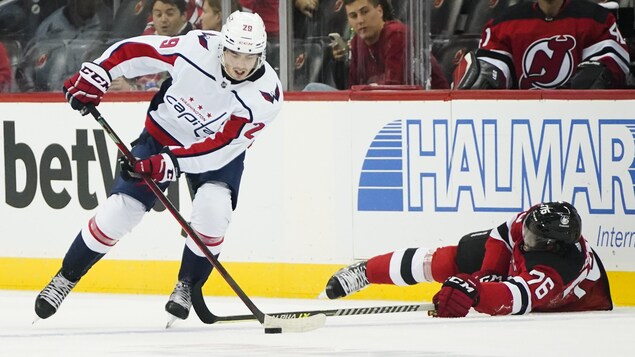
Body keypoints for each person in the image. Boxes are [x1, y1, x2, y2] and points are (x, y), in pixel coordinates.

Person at [34, 11, 282, 327]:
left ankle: (186, 286)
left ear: (261, 53)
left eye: (249, 56)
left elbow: (220, 148)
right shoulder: (198, 47)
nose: (240, 63)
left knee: (214, 208)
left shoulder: (266, 97)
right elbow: (139, 51)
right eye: (234, 52)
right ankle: (65, 278)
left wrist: (171, 163)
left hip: (217, 155)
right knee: (120, 210)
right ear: (223, 47)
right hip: (163, 134)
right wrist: (101, 71)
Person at [323, 201, 613, 318]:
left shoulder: (557, 269)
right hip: (516, 269)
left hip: (561, 298)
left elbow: (516, 297)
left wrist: (476, 293)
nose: (524, 237)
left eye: (533, 239)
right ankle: (366, 271)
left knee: (469, 279)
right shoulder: (534, 222)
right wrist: (487, 273)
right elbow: (502, 235)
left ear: (552, 246)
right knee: (445, 260)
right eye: (527, 230)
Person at [454, 0, 630, 89]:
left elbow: (607, 70)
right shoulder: (504, 23)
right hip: (522, 122)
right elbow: (490, 72)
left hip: (582, 121)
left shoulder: (596, 18)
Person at [303, 0, 448, 90]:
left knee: (312, 88)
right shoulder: (356, 42)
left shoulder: (397, 34)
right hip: (374, 106)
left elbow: (394, 86)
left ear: (379, 11)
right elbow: (351, 89)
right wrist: (338, 63)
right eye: (353, 16)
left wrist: (366, 90)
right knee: (313, 90)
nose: (360, 20)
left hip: (428, 106)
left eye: (364, 12)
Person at [15, 0, 112, 91]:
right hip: (53, 92)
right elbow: (29, 68)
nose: (92, 3)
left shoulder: (104, 23)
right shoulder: (50, 27)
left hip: (89, 89)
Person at [137, 0, 194, 90]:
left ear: (184, 15)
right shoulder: (145, 41)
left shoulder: (194, 43)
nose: (163, 19)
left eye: (170, 14)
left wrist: (134, 88)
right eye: (158, 15)